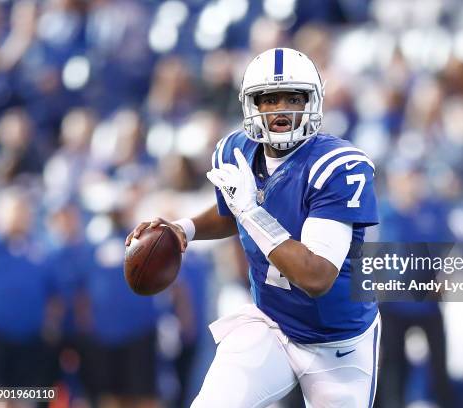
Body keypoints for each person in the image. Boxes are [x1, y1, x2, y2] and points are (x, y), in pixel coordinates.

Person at [126, 48, 381, 407]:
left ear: (313, 101)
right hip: (271, 325)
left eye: (294, 98)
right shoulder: (235, 151)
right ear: (251, 105)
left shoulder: (337, 165)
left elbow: (317, 276)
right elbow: (228, 212)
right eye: (269, 98)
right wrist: (185, 228)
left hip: (337, 341)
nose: (281, 108)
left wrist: (250, 211)